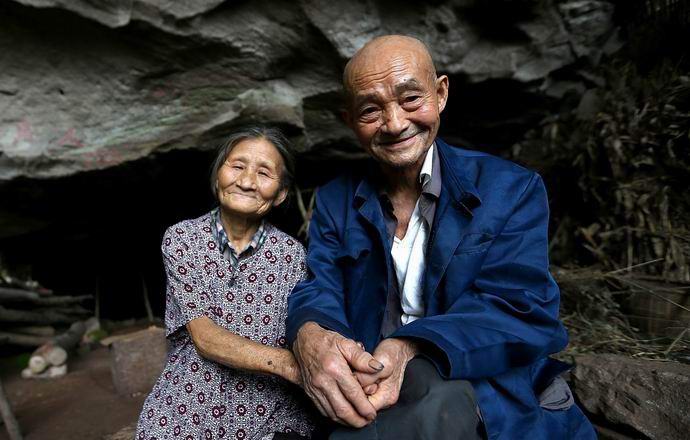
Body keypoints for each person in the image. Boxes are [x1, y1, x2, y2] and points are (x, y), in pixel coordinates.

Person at [285, 36, 596, 439]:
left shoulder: (511, 189)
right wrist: (311, 333)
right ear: (349, 121)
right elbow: (319, 285)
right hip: (372, 382)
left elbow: (521, 307)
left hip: (473, 378)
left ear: (441, 93)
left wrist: (410, 346)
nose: (395, 123)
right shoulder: (334, 200)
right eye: (370, 110)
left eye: (411, 99)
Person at [136, 126, 315, 440]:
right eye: (237, 166)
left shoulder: (292, 256)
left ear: (281, 193)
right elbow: (205, 338)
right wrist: (292, 366)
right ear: (218, 173)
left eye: (264, 173)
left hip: (269, 409)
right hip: (189, 403)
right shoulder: (183, 240)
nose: (246, 182)